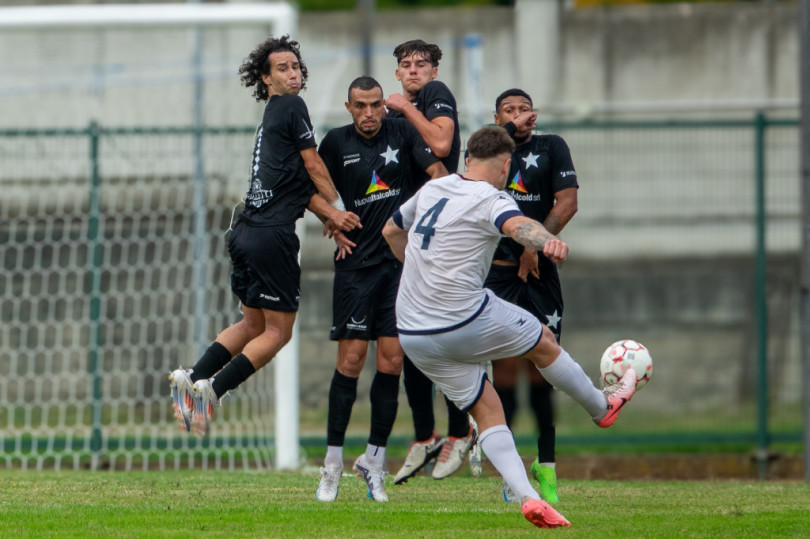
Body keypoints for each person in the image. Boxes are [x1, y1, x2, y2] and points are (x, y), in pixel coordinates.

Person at [381, 126, 636, 529]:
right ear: (505, 165)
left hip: (413, 331)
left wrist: (418, 270)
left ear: (466, 159)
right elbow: (517, 225)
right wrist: (546, 239)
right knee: (544, 342)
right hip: (462, 318)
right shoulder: (492, 197)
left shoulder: (434, 187)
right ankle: (602, 408)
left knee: (487, 409)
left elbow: (392, 230)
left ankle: (530, 499)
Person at [168, 35, 360, 437]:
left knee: (252, 324)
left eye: (296, 67)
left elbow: (298, 186)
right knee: (279, 332)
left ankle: (191, 378)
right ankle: (213, 391)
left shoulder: (273, 116)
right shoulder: (293, 107)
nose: (293, 74)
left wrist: (328, 213)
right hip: (272, 237)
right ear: (266, 78)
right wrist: (340, 207)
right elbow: (312, 164)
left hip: (244, 232)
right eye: (283, 68)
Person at [314, 76, 448, 502]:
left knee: (391, 361)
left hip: (399, 269)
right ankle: (332, 463)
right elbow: (308, 191)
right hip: (355, 269)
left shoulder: (403, 131)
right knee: (351, 361)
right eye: (361, 106)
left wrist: (418, 224)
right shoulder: (334, 143)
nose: (370, 113)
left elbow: (440, 175)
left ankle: (374, 460)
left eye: (376, 105)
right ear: (349, 106)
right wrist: (331, 221)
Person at [385, 38, 474, 484]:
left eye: (422, 64)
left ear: (434, 72)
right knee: (410, 341)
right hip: (411, 236)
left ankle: (461, 430)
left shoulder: (432, 99)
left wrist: (405, 106)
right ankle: (427, 435)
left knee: (442, 338)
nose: (414, 70)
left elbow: (440, 147)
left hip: (438, 236)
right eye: (406, 64)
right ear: (396, 71)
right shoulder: (397, 119)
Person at [485, 88, 579, 503]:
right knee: (504, 373)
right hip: (500, 277)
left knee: (544, 369)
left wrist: (535, 242)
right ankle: (511, 471)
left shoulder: (552, 146)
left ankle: (547, 464)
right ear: (497, 116)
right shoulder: (489, 149)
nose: (521, 116)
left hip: (540, 273)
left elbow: (568, 202)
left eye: (526, 109)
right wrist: (506, 130)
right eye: (510, 110)